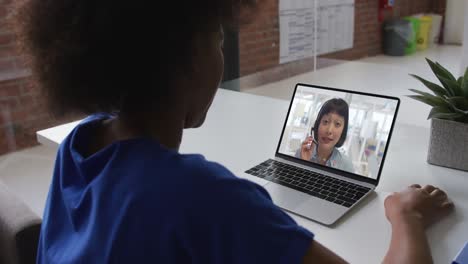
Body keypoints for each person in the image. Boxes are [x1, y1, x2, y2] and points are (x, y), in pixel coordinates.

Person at [13, 0, 454, 263]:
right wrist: (406, 216)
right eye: (217, 42)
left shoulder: (79, 145)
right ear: (185, 58)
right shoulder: (201, 195)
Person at [296, 98, 354, 173]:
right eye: (325, 121)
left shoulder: (346, 165)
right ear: (317, 125)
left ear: (343, 131)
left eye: (337, 124)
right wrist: (304, 163)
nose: (329, 130)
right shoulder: (301, 153)